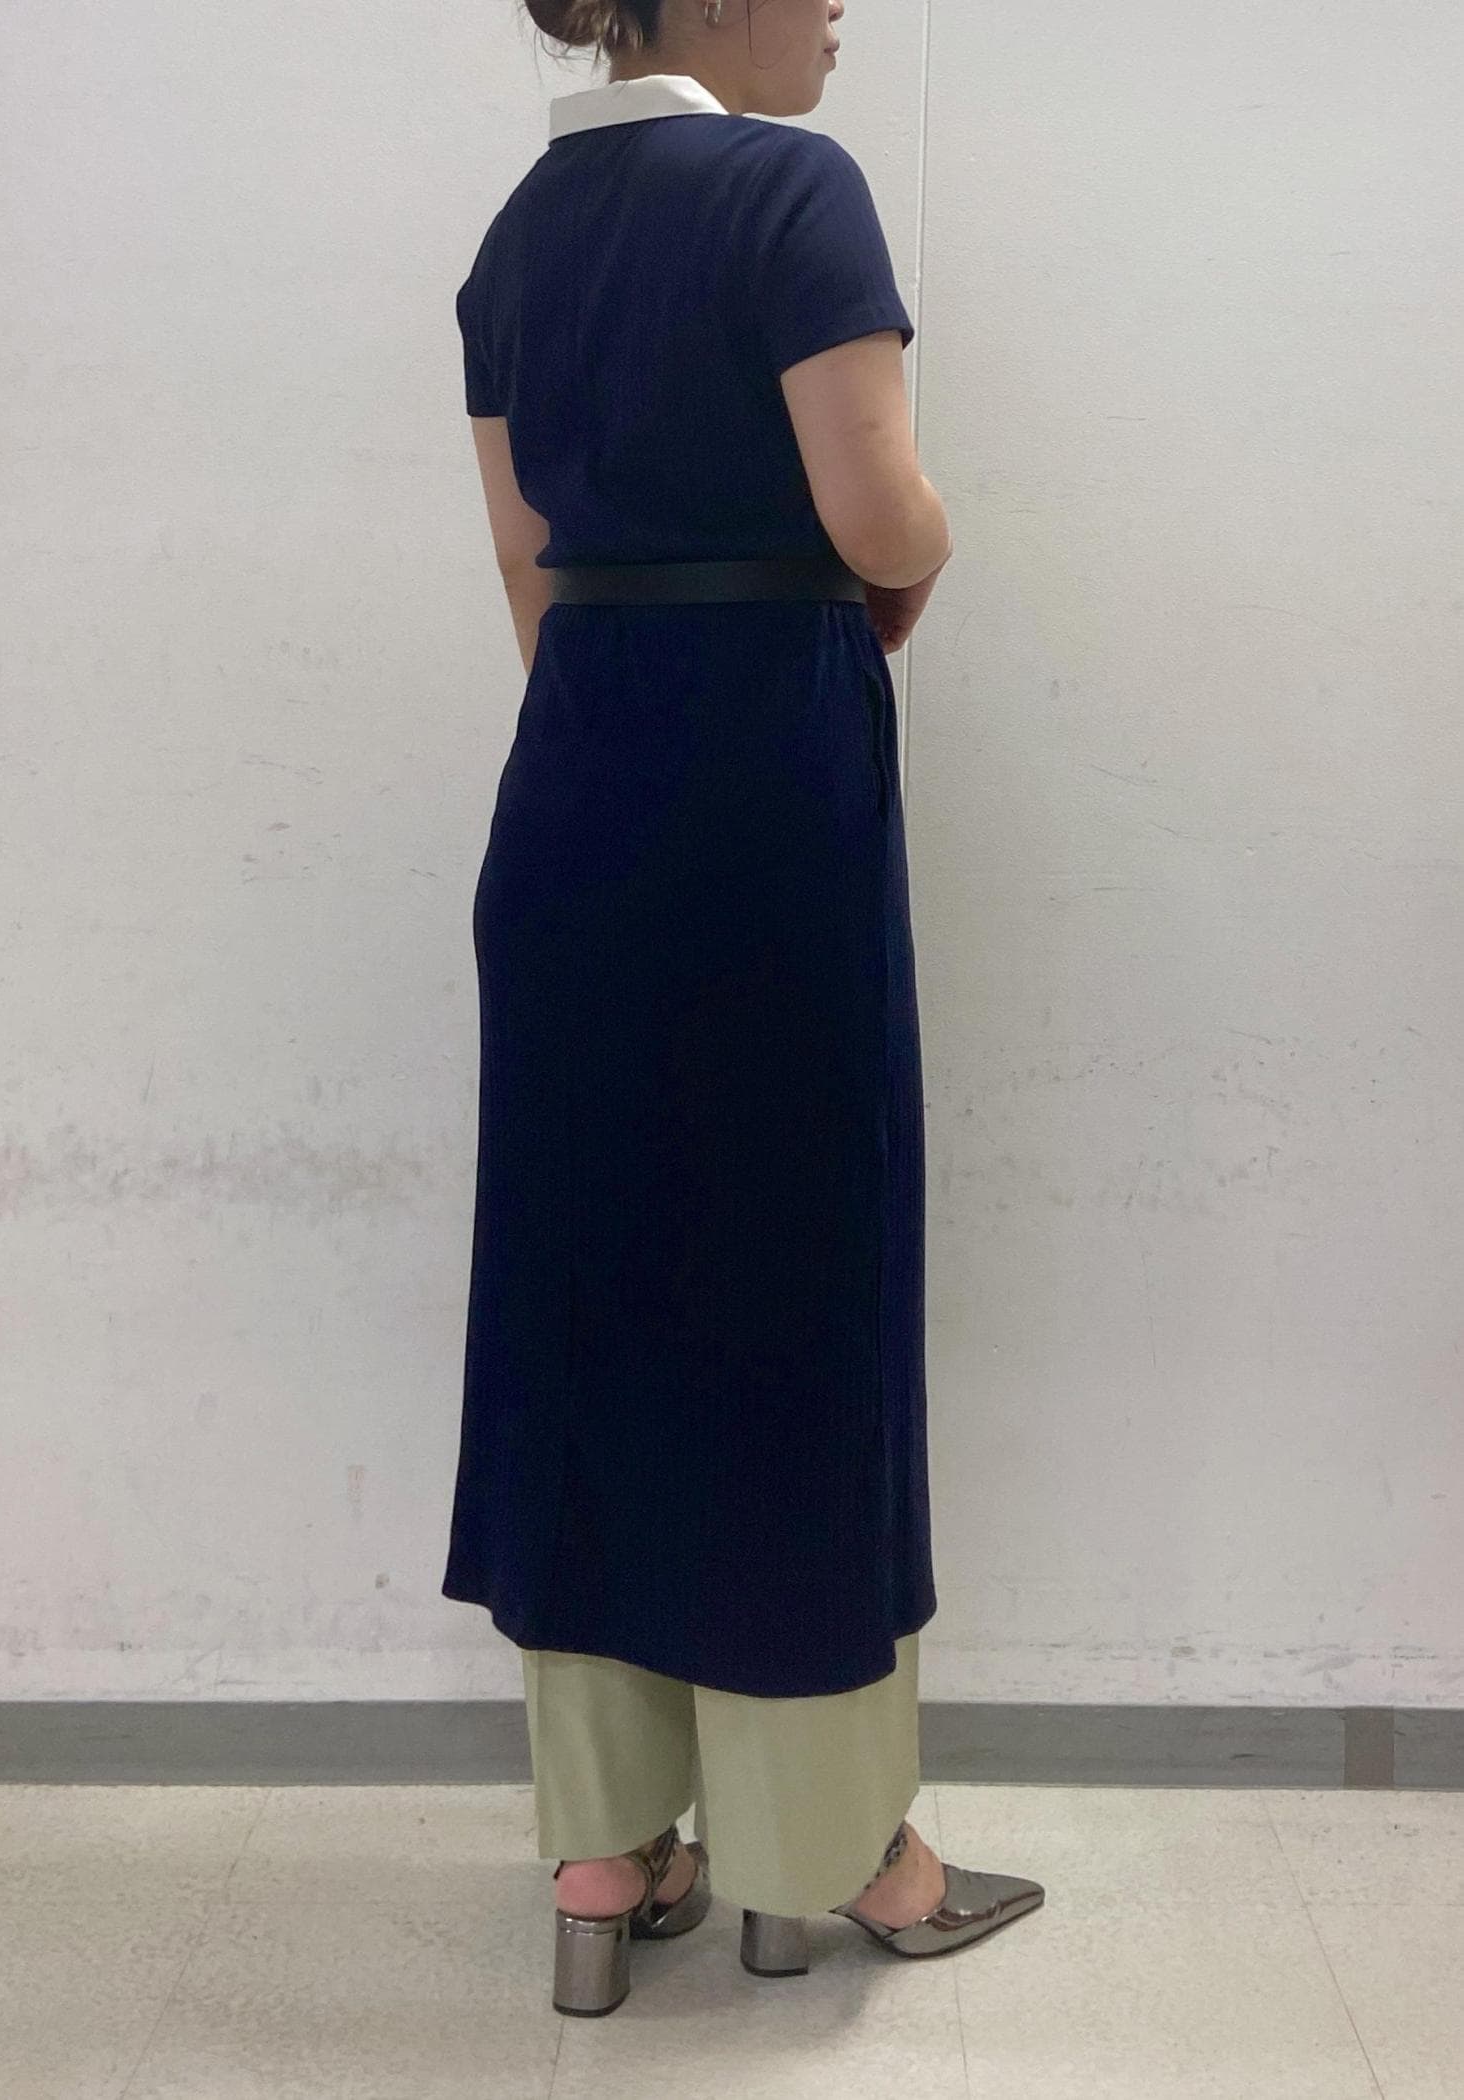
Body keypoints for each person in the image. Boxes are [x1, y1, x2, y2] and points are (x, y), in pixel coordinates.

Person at [442, 0, 1044, 2015]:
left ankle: (605, 1853)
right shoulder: (790, 190)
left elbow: (526, 566)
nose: (844, 5)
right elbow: (877, 516)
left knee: (593, 1287)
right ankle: (830, 1854)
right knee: (790, 1286)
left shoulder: (521, 233)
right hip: (763, 783)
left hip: (577, 780)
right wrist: (928, 541)